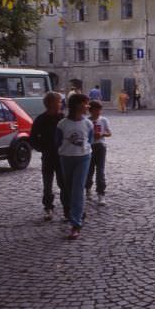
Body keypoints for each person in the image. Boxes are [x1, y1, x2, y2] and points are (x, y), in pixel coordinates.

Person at [56, 93, 94, 240]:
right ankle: (73, 212)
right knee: (68, 188)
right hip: (66, 157)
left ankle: (76, 224)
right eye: (86, 103)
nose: (87, 106)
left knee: (78, 189)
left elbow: (89, 140)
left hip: (83, 158)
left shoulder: (88, 123)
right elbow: (57, 141)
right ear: (78, 105)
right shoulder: (63, 124)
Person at [30, 92, 67, 221]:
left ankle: (67, 209)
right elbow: (33, 139)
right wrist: (43, 149)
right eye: (59, 101)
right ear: (51, 103)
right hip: (48, 156)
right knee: (48, 184)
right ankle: (48, 207)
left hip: (62, 156)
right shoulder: (41, 119)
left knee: (63, 183)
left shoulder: (63, 118)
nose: (61, 104)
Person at [85, 100, 111, 206]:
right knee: (89, 170)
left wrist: (101, 134)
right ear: (91, 110)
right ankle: (88, 188)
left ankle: (101, 193)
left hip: (100, 146)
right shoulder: (87, 121)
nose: (98, 112)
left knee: (100, 170)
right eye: (96, 110)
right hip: (90, 147)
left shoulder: (104, 120)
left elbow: (109, 133)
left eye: (100, 110)